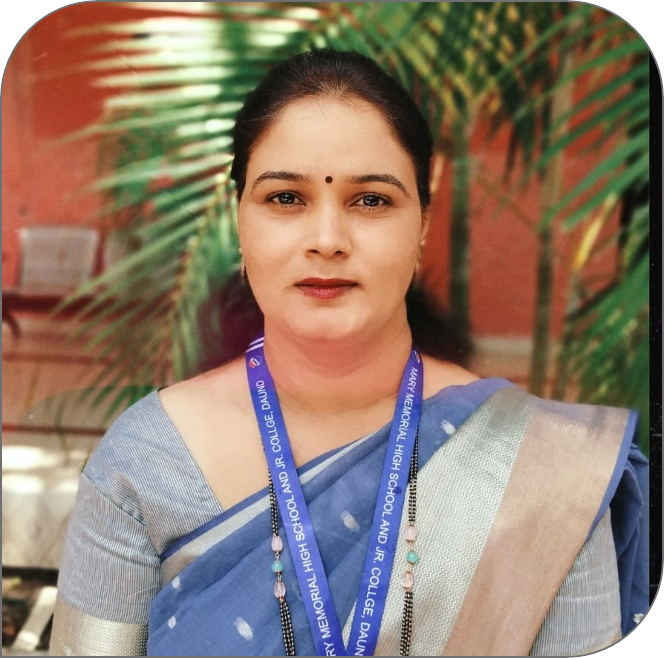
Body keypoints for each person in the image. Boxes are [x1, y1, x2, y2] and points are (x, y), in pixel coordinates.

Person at [49, 49, 648, 656]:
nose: (327, 240)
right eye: (286, 198)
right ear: (239, 221)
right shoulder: (145, 463)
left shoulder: (546, 473)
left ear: (422, 223)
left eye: (371, 200)